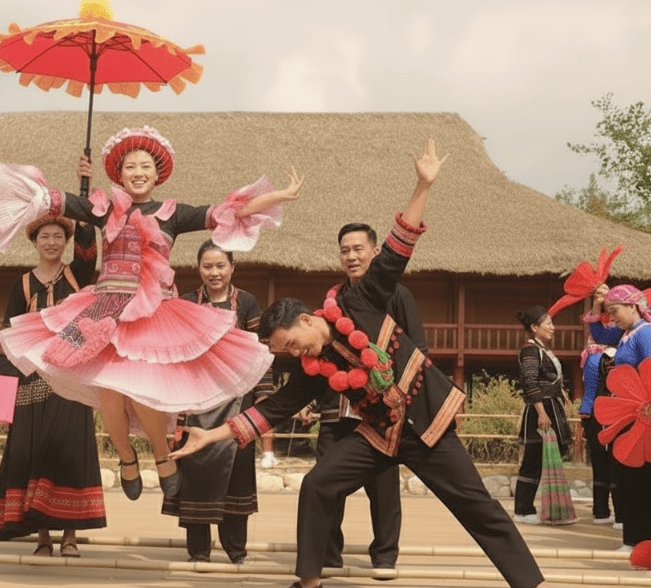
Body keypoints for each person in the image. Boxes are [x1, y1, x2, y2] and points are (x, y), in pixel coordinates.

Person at [173, 140, 549, 588]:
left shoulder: (361, 299)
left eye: (294, 343)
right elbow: (269, 412)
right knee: (318, 484)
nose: (296, 354)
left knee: (477, 506)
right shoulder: (311, 368)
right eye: (286, 352)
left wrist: (422, 185)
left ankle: (531, 583)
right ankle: (309, 579)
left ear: (310, 319)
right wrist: (211, 434)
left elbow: (396, 249)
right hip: (379, 433)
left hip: (427, 420)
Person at [0, 125, 301, 499]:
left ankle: (162, 457)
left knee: (144, 393)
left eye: (145, 165)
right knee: (111, 392)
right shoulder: (104, 208)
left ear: (157, 173)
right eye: (130, 166)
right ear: (119, 173)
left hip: (153, 313)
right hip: (105, 310)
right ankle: (127, 458)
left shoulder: (173, 214)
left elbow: (230, 211)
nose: (138, 172)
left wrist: (280, 195)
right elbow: (50, 200)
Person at [295, 222, 419, 571]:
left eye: (358, 249)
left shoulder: (398, 295)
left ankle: (384, 556)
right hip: (337, 408)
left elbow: (418, 350)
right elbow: (323, 354)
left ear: (375, 252)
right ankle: (329, 554)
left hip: (381, 410)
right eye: (345, 250)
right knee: (325, 481)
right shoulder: (332, 300)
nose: (351, 256)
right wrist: (312, 400)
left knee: (383, 487)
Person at [0, 213, 105, 557]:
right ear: (35, 243)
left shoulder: (77, 274)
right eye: (45, 237)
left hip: (70, 375)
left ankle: (70, 535)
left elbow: (88, 248)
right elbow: (9, 334)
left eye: (57, 237)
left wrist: (83, 201)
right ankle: (43, 537)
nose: (51, 242)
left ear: (65, 243)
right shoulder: (21, 284)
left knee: (69, 452)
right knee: (34, 451)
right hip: (32, 378)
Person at [161, 240, 271, 564]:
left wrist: (263, 402)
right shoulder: (186, 303)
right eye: (207, 266)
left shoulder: (247, 303)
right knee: (196, 477)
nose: (214, 272)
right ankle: (199, 553)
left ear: (232, 268)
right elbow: (176, 357)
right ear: (199, 269)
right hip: (196, 404)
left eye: (220, 266)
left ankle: (237, 552)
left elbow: (260, 354)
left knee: (237, 478)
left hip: (238, 404)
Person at [585, 284, 651, 550]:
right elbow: (599, 332)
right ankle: (633, 537)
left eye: (615, 311)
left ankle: (642, 539)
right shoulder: (628, 333)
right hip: (632, 415)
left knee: (642, 480)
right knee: (629, 478)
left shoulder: (645, 335)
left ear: (633, 307)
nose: (611, 318)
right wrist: (598, 305)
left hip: (644, 416)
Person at [512, 305, 573, 523]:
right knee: (533, 458)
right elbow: (529, 382)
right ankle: (523, 509)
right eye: (548, 323)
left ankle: (530, 507)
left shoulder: (542, 350)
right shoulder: (530, 350)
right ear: (534, 327)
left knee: (541, 458)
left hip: (550, 406)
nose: (553, 328)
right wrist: (541, 412)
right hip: (540, 410)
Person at [578, 346, 619, 526]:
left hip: (592, 414)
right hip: (607, 414)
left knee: (600, 464)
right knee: (615, 465)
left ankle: (600, 511)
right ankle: (621, 515)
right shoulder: (605, 357)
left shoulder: (590, 356)